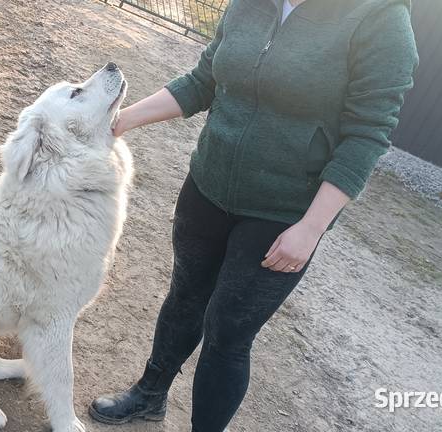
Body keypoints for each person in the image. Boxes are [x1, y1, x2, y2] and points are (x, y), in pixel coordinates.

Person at [88, 0, 418, 430]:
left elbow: (367, 134)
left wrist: (312, 228)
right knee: (184, 299)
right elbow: (204, 80)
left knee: (228, 333)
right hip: (208, 186)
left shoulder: (380, 17)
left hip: (283, 214)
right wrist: (119, 121)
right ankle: (150, 395)